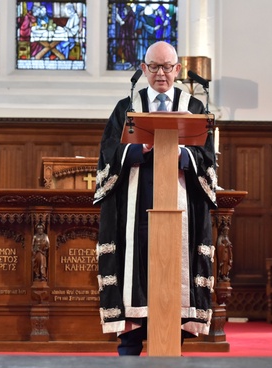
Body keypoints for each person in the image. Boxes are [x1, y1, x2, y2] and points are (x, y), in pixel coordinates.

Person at [94, 41, 217, 356]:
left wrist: (181, 154)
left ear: (178, 69)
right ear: (143, 68)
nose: (161, 73)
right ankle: (131, 346)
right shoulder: (126, 108)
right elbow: (107, 154)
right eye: (154, 66)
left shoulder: (195, 108)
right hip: (134, 215)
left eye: (167, 66)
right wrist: (137, 150)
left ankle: (172, 345)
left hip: (180, 211)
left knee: (176, 278)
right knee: (136, 276)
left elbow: (207, 158)